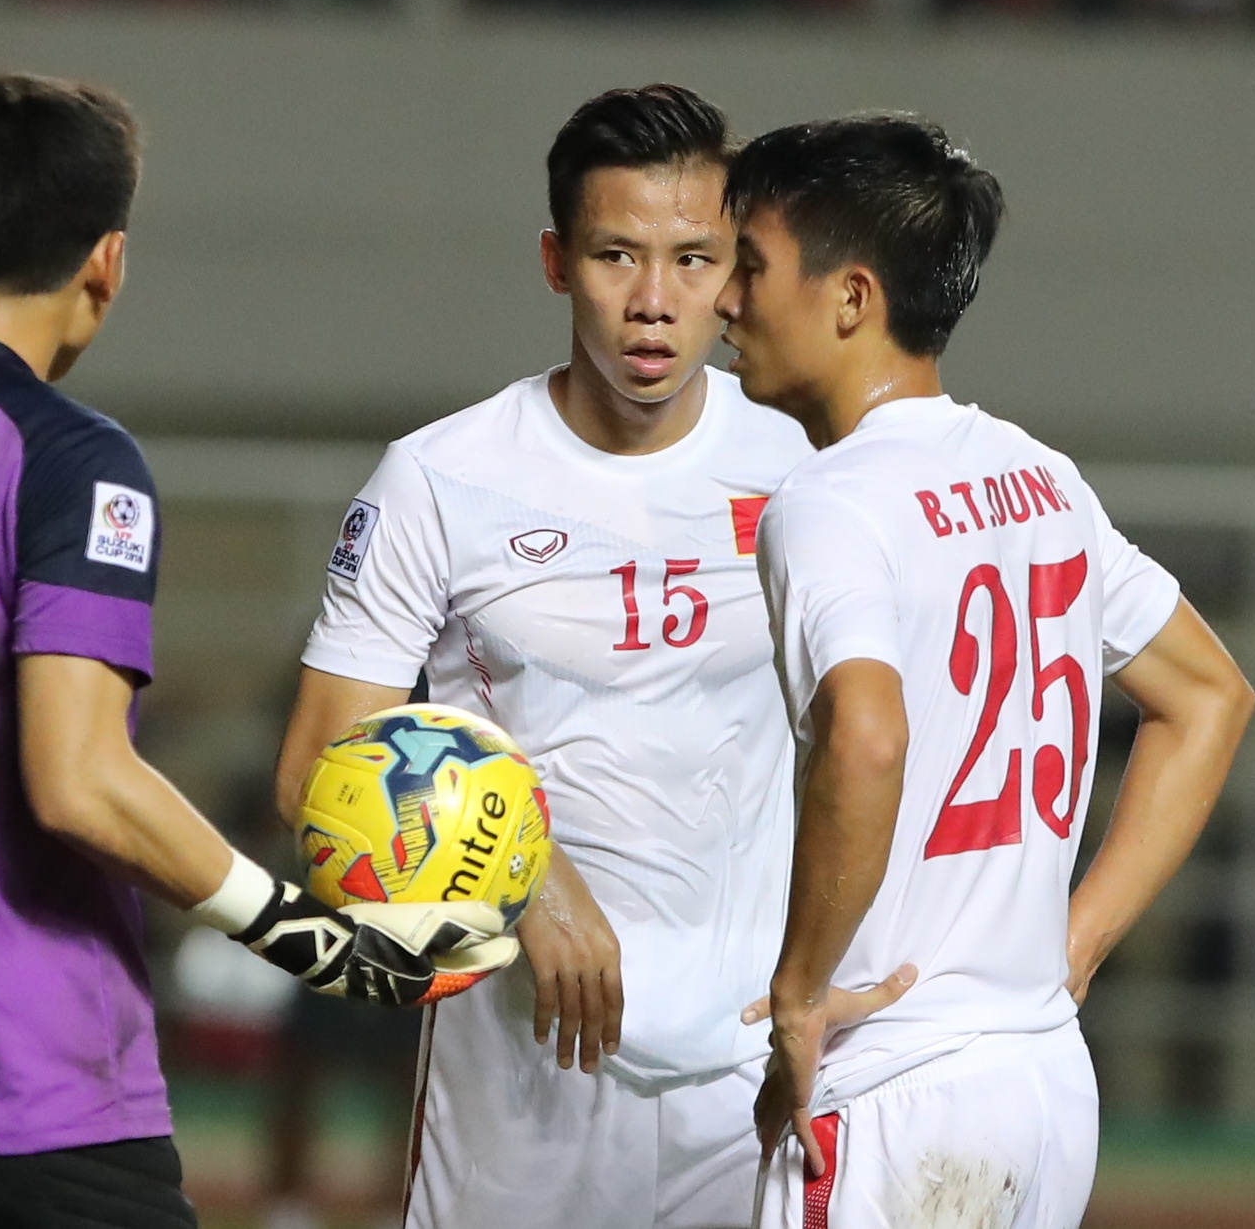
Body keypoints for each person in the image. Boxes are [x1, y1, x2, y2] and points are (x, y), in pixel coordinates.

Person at [0, 73, 515, 1229]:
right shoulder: (70, 458)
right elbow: (80, 783)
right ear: (108, 262)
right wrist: (312, 938)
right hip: (37, 1096)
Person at [273, 85, 909, 1229]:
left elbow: (877, 745)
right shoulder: (440, 477)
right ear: (556, 261)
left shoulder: (808, 469)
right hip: (519, 1080)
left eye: (694, 260)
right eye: (617, 255)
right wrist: (524, 886)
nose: (655, 303)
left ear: (737, 274)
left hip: (753, 1073)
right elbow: (318, 765)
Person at [717, 115, 1255, 1227]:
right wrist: (1082, 938)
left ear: (851, 298)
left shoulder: (828, 503)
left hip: (893, 1086)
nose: (726, 300)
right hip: (1043, 1080)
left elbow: (869, 736)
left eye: (752, 267)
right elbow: (1209, 695)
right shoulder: (1041, 477)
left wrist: (801, 998)